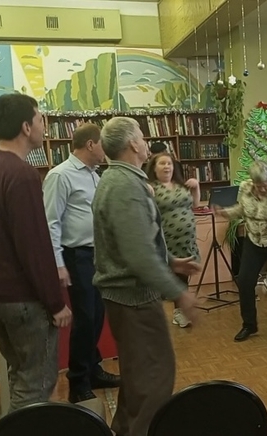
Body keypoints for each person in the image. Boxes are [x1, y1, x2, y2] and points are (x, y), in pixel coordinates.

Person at [92, 116, 200, 436]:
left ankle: (124, 430)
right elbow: (137, 254)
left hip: (128, 297)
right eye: (141, 135)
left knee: (138, 378)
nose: (145, 140)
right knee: (154, 381)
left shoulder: (120, 179)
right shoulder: (125, 186)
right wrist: (179, 292)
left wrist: (170, 262)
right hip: (134, 299)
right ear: (132, 144)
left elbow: (138, 239)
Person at [0, 93, 72, 412]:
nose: (44, 126)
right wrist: (55, 303)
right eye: (40, 119)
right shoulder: (22, 174)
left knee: (19, 373)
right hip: (21, 297)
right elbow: (34, 246)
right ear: (26, 127)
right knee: (36, 386)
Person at [42, 123, 121, 404]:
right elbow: (50, 222)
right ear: (90, 144)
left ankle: (92, 368)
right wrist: (58, 263)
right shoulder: (60, 175)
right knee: (86, 317)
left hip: (98, 254)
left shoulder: (94, 175)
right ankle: (78, 381)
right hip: (77, 255)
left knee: (97, 315)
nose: (106, 150)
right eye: (103, 144)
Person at [215, 160, 267, 342]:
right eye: (259, 186)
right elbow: (242, 209)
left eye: (266, 185)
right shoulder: (245, 187)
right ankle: (249, 325)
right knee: (244, 282)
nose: (263, 189)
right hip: (254, 241)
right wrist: (226, 212)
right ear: (252, 182)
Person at [146, 152, 201, 328]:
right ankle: (173, 311)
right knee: (170, 276)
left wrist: (196, 187)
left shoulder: (181, 185)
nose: (167, 167)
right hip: (167, 240)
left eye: (169, 163)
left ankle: (179, 311)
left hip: (187, 241)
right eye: (162, 163)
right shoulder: (150, 188)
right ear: (154, 168)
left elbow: (195, 205)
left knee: (183, 275)